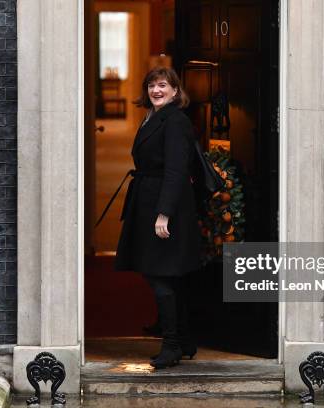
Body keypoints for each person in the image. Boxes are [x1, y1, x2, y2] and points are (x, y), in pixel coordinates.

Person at [114, 67, 201, 369]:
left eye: (163, 85)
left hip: (164, 206)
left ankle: (172, 344)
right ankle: (184, 339)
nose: (156, 91)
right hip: (148, 199)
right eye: (151, 85)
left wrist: (164, 214)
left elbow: (177, 170)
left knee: (160, 274)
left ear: (176, 91)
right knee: (166, 273)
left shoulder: (175, 121)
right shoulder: (152, 117)